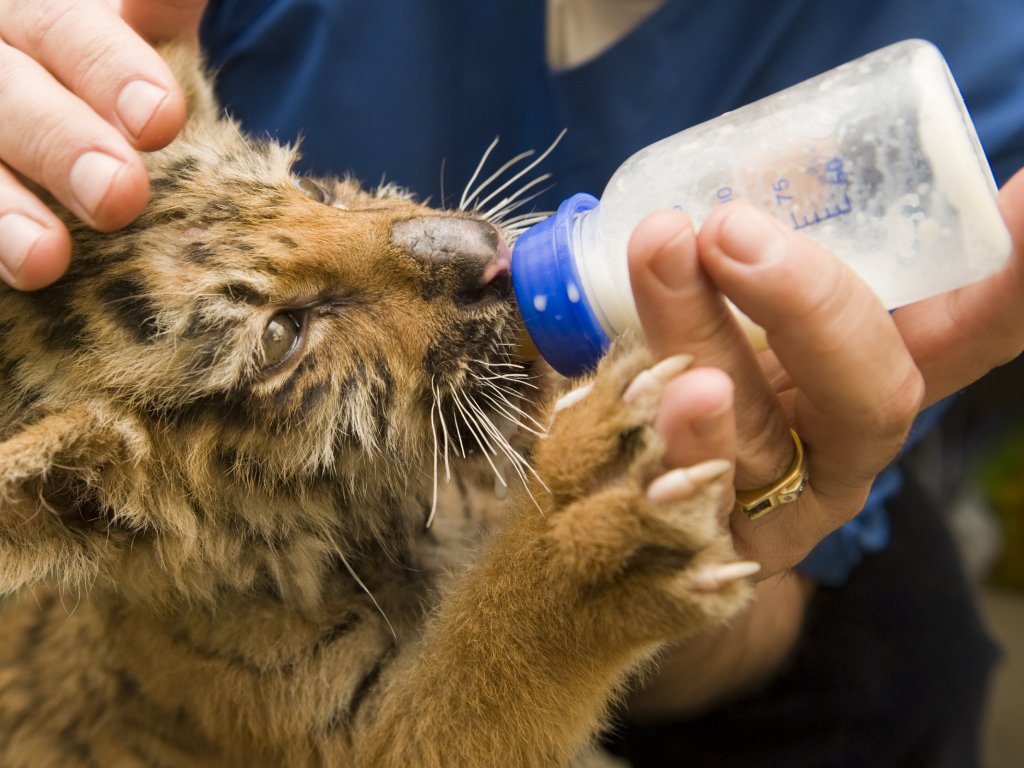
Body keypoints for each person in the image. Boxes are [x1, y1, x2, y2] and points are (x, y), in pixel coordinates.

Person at [1, 1, 1022, 764]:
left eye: (308, 188)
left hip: (776, 627)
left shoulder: (988, 55)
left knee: (911, 650)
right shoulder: (192, 596)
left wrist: (620, 553)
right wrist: (559, 595)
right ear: (100, 506)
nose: (436, 243)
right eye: (283, 340)